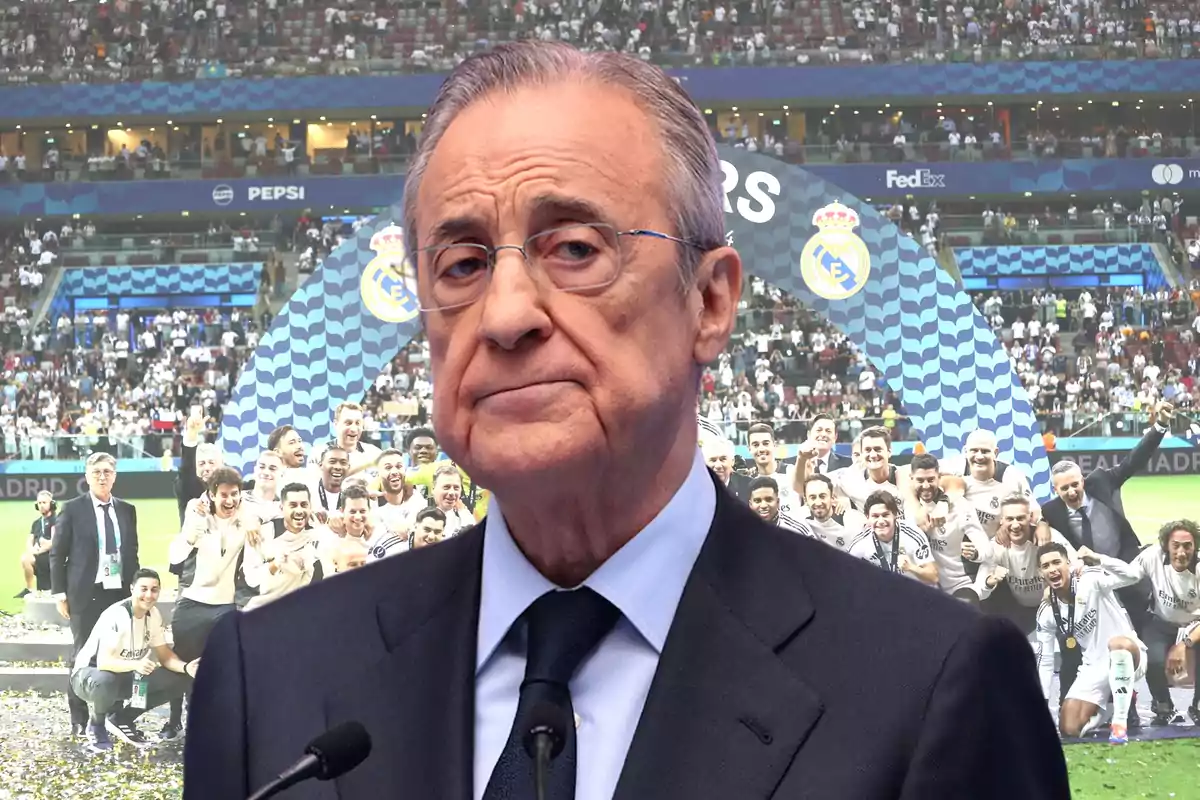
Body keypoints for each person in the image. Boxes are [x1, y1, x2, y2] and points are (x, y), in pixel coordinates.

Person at [185, 42, 1068, 800]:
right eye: (459, 264)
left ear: (711, 302)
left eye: (575, 249)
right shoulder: (270, 682)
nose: (504, 315)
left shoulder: (931, 685)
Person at [51, 452, 140, 738]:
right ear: (87, 477)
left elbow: (132, 553)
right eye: (96, 472)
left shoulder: (127, 510)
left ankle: (113, 712)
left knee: (118, 652)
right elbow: (57, 554)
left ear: (115, 476)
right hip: (85, 593)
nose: (102, 477)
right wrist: (59, 594)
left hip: (117, 593)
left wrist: (135, 591)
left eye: (107, 472)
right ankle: (78, 717)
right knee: (82, 655)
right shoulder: (73, 509)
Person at [70, 569, 197, 752]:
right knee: (107, 680)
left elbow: (165, 655)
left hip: (125, 675)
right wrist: (137, 664)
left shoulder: (153, 615)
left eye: (154, 590)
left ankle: (122, 718)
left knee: (180, 680)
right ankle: (97, 724)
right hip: (89, 677)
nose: (149, 595)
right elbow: (104, 663)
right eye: (143, 589)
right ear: (132, 589)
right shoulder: (117, 615)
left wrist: (186, 668)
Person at [1035, 543, 1147, 744]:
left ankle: (1119, 724)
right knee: (1069, 727)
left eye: (1056, 562)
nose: (1052, 569)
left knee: (1117, 643)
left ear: (1068, 564)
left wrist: (1099, 559)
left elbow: (1133, 575)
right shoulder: (1047, 611)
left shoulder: (1090, 580)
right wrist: (1042, 703)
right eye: (1046, 566)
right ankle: (1108, 710)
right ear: (1040, 572)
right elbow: (1045, 661)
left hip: (1130, 653)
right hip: (1093, 667)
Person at [1119, 520, 1200, 725]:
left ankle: (1197, 705)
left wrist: (1184, 644)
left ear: (1195, 546)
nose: (1181, 552)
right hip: (1161, 621)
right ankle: (1162, 705)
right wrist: (1097, 567)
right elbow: (1127, 575)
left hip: (1194, 626)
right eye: (1176, 545)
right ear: (1166, 545)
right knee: (1152, 660)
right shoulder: (1152, 556)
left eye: (1187, 546)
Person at [906, 453, 989, 601]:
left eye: (931, 479)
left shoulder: (960, 507)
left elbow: (986, 549)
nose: (926, 486)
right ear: (911, 479)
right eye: (920, 480)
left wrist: (975, 553)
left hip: (959, 584)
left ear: (939, 477)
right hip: (926, 584)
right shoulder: (909, 507)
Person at [242, 483, 322, 611]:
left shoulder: (317, 533)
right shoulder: (261, 533)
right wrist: (274, 565)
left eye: (304, 505)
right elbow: (250, 579)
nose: (299, 511)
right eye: (293, 505)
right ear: (281, 508)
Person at [848, 491, 939, 587]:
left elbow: (933, 577)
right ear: (867, 517)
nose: (881, 521)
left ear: (895, 515)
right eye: (875, 516)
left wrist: (911, 567)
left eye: (885, 515)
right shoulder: (859, 543)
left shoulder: (913, 534)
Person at [16, 490, 56, 598]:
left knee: (27, 559)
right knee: (25, 558)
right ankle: (29, 589)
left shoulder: (56, 520)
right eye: (39, 503)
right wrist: (32, 550)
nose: (41, 506)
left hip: (51, 555)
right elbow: (30, 539)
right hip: (39, 553)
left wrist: (40, 550)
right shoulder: (36, 523)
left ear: (51, 504)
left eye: (44, 503)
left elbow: (55, 541)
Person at [746, 476, 813, 535]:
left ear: (778, 502)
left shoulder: (797, 530)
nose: (763, 505)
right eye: (758, 501)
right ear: (750, 504)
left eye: (769, 500)